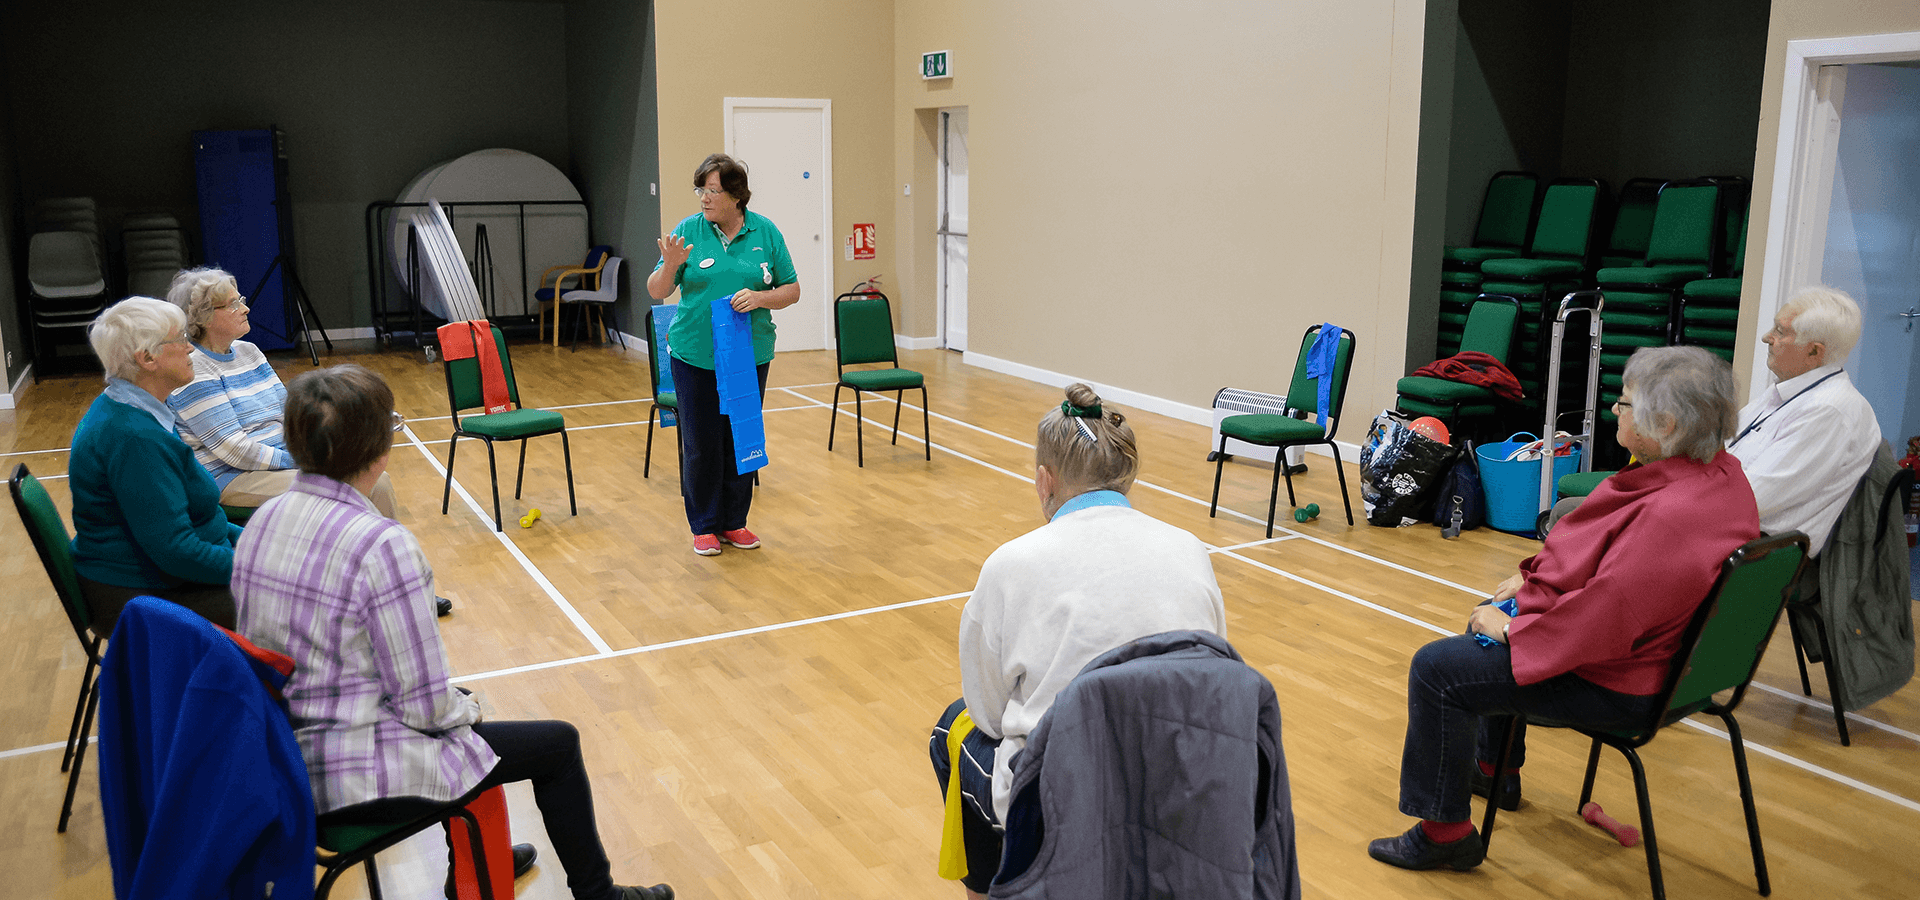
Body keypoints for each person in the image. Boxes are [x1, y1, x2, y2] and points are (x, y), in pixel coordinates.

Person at [232, 365, 672, 900]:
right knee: (555, 743)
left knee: (461, 718)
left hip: (283, 747)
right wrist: (468, 709)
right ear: (380, 448)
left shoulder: (263, 518)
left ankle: (472, 862)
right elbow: (425, 710)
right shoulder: (381, 545)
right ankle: (600, 896)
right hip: (350, 769)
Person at [1367, 346, 1760, 871]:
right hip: (1675, 665)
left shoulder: (1669, 517)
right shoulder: (1724, 476)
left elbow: (1604, 618)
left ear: (1663, 424)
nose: (1614, 411)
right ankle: (1493, 767)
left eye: (1624, 404)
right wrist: (1530, 585)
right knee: (1503, 609)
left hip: (1626, 685)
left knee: (1439, 668)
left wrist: (1514, 630)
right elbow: (1612, 571)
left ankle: (1445, 833)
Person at [929, 384, 1227, 897]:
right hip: (1183, 783)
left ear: (1045, 479)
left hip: (1063, 796)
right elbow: (1213, 662)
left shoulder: (1012, 563)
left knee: (950, 732)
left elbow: (988, 711)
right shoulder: (1189, 549)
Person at [646, 153, 799, 557]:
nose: (703, 199)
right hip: (694, 356)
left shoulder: (765, 232)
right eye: (700, 190)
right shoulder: (688, 231)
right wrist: (671, 265)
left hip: (749, 355)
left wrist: (762, 296)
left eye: (711, 190)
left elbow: (792, 289)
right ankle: (704, 525)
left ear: (736, 195)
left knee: (739, 436)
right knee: (701, 442)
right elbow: (657, 290)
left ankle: (735, 521)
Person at [165, 266, 397, 517]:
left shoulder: (249, 352)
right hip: (233, 476)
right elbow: (234, 450)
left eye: (240, 300)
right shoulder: (195, 368)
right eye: (233, 304)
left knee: (378, 480)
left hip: (282, 463)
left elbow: (291, 413)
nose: (245, 309)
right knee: (344, 489)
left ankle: (386, 555)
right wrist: (303, 461)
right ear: (204, 317)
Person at [69, 296, 239, 634]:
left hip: (160, 582)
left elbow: (200, 522)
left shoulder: (137, 410)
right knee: (302, 604)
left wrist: (263, 543)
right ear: (147, 358)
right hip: (141, 598)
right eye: (180, 340)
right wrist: (265, 565)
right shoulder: (134, 437)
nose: (191, 348)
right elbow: (177, 553)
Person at [1728, 285, 1880, 557]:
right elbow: (1719, 448)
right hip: (1728, 530)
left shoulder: (1831, 411)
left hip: (1755, 553)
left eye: (1780, 331)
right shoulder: (1788, 390)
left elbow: (1749, 498)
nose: (1766, 337)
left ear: (1814, 351)